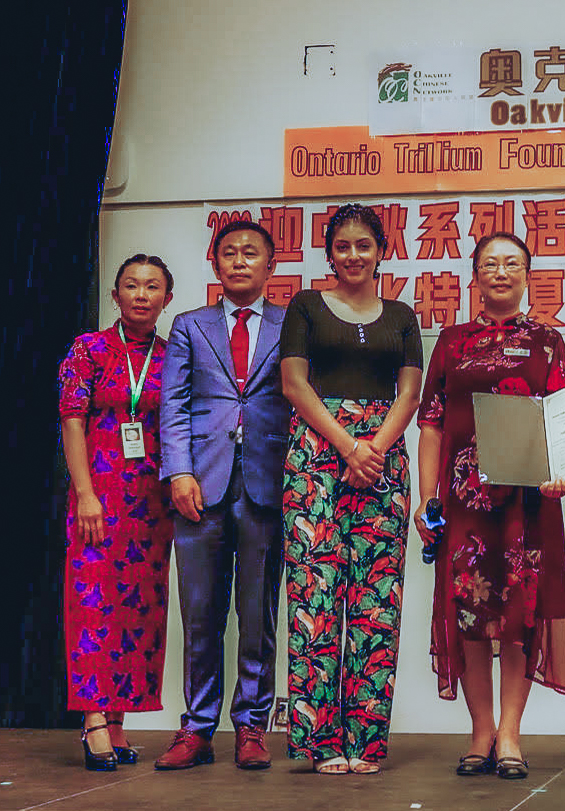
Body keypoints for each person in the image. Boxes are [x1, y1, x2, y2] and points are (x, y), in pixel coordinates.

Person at [413, 232, 565, 781]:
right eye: (490, 264)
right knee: (468, 615)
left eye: (512, 264)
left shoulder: (547, 340)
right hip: (462, 503)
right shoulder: (453, 341)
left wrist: (558, 474)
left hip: (526, 504)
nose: (500, 272)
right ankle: (480, 730)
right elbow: (431, 421)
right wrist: (426, 496)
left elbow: (563, 420)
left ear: (528, 274)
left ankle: (510, 733)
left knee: (517, 619)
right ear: (475, 276)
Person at [280, 203, 422, 775]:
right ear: (329, 253)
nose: (354, 255)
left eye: (364, 245)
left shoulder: (402, 314)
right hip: (318, 455)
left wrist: (375, 448)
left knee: (374, 604)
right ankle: (319, 741)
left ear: (382, 250)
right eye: (343, 246)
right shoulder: (306, 306)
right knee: (315, 597)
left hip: (382, 461)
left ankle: (365, 741)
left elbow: (408, 393)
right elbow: (294, 383)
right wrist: (348, 445)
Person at [158, 220, 288, 771]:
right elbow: (173, 404)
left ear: (270, 265)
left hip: (267, 482)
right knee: (202, 612)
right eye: (229, 253)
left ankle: (253, 726)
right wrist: (178, 472)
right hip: (200, 486)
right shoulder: (190, 326)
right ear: (214, 265)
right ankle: (197, 727)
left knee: (257, 613)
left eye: (250, 253)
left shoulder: (293, 324)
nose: (239, 261)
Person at [59, 254, 175, 770]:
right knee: (92, 606)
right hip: (99, 496)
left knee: (140, 611)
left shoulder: (173, 356)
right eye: (131, 285)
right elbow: (72, 419)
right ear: (115, 295)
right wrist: (84, 493)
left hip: (152, 504)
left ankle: (121, 721)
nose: (142, 295)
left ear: (167, 299)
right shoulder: (89, 349)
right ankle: (93, 723)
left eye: (152, 287)